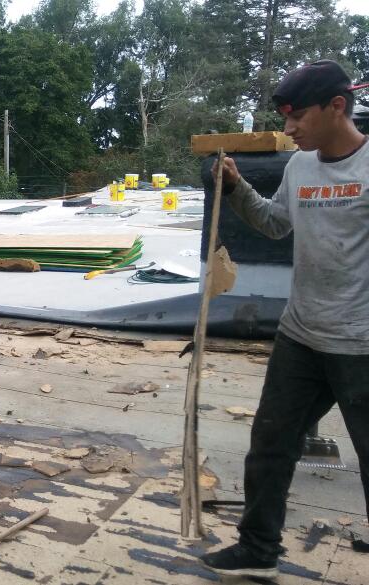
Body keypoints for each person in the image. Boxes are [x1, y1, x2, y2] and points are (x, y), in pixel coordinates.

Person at [200, 60, 369, 579]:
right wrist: (235, 188)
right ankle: (258, 550)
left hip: (361, 343)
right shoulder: (301, 166)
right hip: (301, 335)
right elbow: (275, 225)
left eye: (297, 117)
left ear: (336, 107)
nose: (288, 129)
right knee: (270, 446)